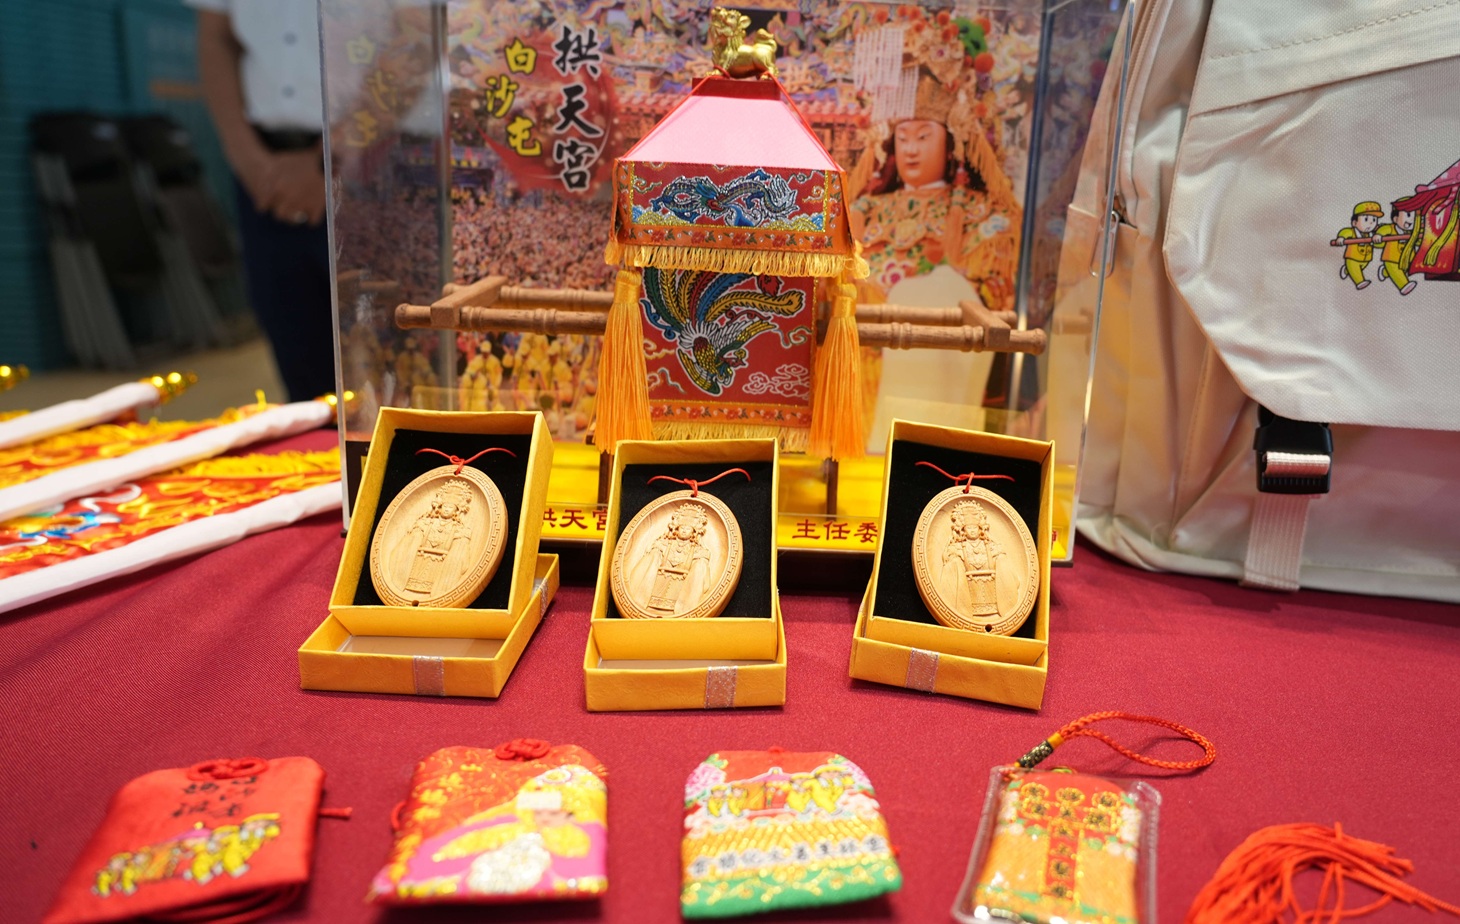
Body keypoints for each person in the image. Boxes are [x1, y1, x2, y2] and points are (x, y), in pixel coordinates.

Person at [192, 0, 336, 401]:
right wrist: (248, 160)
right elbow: (215, 38)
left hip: (373, 163)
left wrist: (332, 160)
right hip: (264, 175)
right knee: (298, 354)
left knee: (389, 357)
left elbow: (409, 39)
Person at [1337, 201, 1383, 291]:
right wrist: (1341, 238)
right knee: (1355, 270)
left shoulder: (1372, 235)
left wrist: (1379, 241)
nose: (1371, 223)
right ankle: (1360, 282)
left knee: (1356, 270)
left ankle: (1346, 270)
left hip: (1366, 259)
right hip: (1352, 258)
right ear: (1354, 223)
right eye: (1366, 219)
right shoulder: (1352, 232)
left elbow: (1378, 244)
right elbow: (1345, 232)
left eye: (1374, 220)